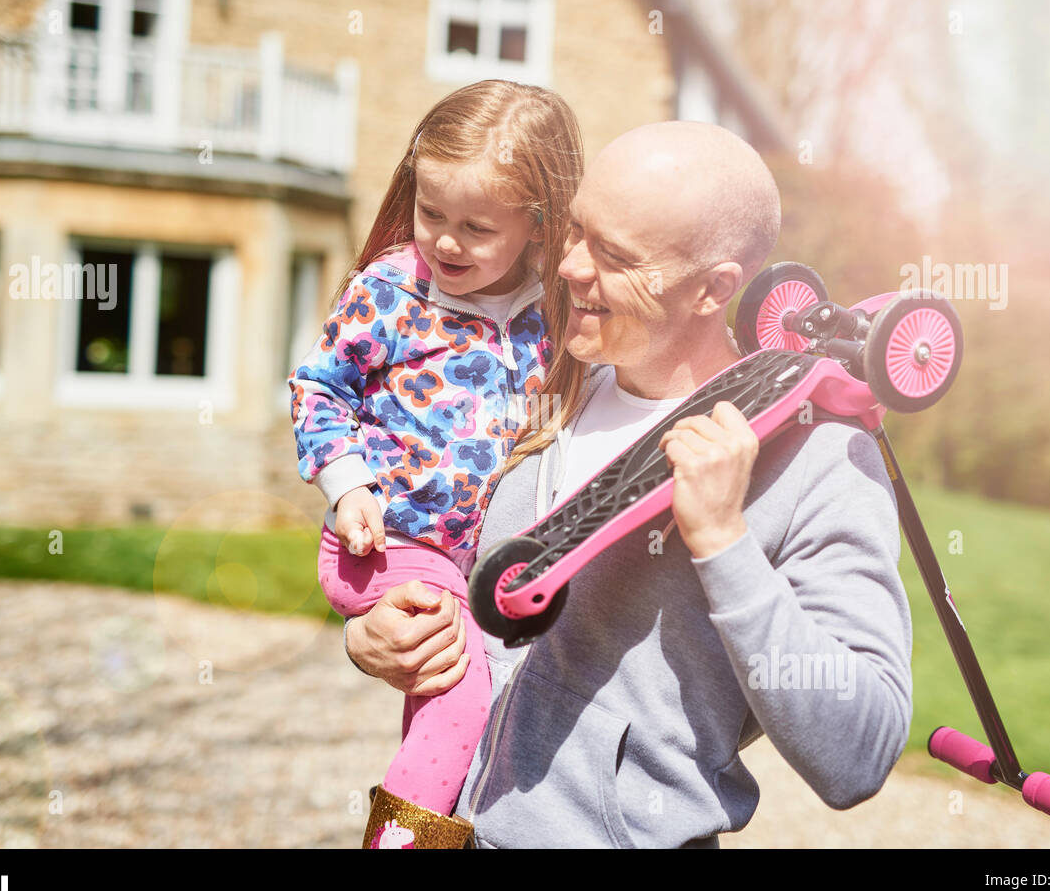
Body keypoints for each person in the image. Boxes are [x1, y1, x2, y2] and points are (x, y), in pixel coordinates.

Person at [343, 121, 914, 848]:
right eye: (576, 230)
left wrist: (722, 541)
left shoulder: (817, 460)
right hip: (439, 833)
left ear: (713, 290)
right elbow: (431, 550)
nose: (571, 268)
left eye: (614, 255)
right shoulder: (543, 382)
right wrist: (369, 632)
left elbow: (858, 753)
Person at [289, 80, 585, 848]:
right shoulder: (391, 288)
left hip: (469, 561)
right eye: (432, 215)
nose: (446, 242)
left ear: (538, 226)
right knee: (464, 704)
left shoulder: (544, 316)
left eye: (477, 227)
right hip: (385, 543)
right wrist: (346, 484)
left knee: (441, 717)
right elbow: (319, 386)